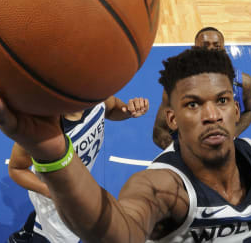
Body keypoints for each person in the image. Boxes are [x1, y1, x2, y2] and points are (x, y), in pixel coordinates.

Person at [0, 30, 251, 242]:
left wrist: (125, 109)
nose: (212, 114)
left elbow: (111, 109)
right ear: (172, 118)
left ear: (236, 107)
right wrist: (50, 157)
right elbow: (115, 232)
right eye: (193, 105)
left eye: (221, 101)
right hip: (60, 196)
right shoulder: (160, 186)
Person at [8, 95, 149, 243]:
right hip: (53, 202)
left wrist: (128, 111)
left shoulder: (96, 97)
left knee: (40, 221)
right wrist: (51, 192)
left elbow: (113, 108)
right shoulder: (42, 129)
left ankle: (25, 234)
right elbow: (16, 169)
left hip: (70, 189)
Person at [152, 27, 251, 149]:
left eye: (217, 46)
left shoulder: (243, 83)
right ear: (194, 50)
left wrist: (233, 133)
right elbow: (159, 131)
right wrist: (182, 153)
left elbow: (249, 111)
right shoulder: (177, 85)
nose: (211, 51)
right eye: (205, 46)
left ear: (224, 50)